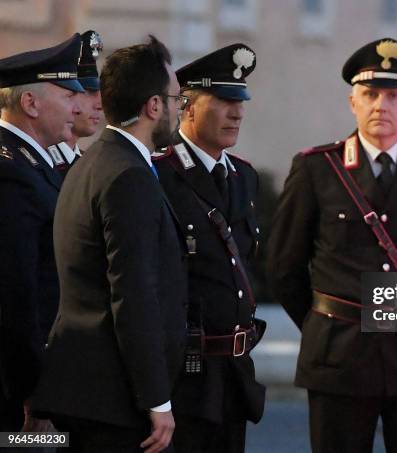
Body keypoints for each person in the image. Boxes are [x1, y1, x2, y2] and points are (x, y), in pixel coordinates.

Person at [266, 38, 397, 453]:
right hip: (339, 358)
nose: (381, 105)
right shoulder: (317, 169)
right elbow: (284, 267)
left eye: (393, 96)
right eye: (370, 94)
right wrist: (326, 322)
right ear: (352, 102)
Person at [31, 36, 188, 453]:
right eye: (176, 99)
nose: (179, 110)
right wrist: (157, 400)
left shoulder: (93, 162)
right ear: (154, 106)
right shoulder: (128, 176)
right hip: (114, 399)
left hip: (90, 390)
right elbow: (132, 295)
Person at [154, 43, 265, 453]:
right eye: (223, 100)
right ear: (187, 105)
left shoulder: (244, 178)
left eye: (240, 101)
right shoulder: (160, 174)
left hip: (234, 373)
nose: (237, 112)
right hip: (184, 376)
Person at [0, 34, 84, 433]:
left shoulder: (32, 165)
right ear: (30, 104)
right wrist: (34, 389)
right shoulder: (11, 173)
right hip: (16, 392)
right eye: (67, 94)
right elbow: (18, 295)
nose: (77, 105)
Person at [47, 30, 103, 173]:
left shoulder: (88, 164)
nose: (100, 105)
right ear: (67, 93)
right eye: (89, 92)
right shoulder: (43, 162)